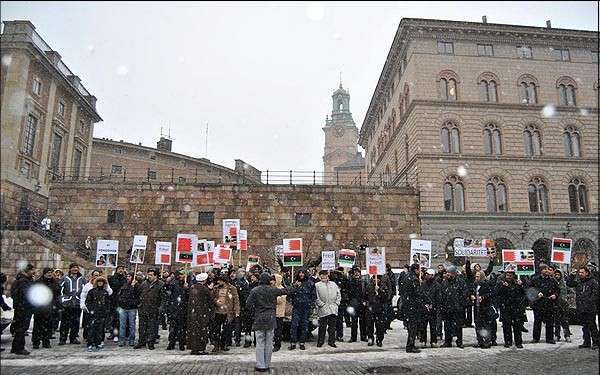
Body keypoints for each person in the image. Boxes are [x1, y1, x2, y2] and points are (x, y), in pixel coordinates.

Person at [246, 272, 292, 372]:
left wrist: (255, 308)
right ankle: (267, 364)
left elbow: (248, 304)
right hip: (271, 317)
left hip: (259, 318)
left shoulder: (255, 290)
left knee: (260, 342)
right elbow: (286, 291)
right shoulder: (273, 290)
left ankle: (260, 365)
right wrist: (290, 284)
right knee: (269, 342)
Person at [566, 267, 599, 349]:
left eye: (582, 272)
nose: (580, 274)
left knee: (592, 326)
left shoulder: (593, 282)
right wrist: (571, 275)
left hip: (590, 308)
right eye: (579, 272)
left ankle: (596, 342)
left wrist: (589, 302)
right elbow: (569, 283)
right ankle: (586, 342)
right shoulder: (579, 282)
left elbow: (595, 294)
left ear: (587, 273)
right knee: (584, 326)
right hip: (581, 308)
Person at [529, 264, 560, 344]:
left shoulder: (553, 280)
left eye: (548, 269)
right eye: (545, 269)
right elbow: (529, 289)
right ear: (541, 271)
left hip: (549, 303)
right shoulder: (535, 280)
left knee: (550, 322)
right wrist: (537, 294)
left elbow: (558, 290)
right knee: (537, 322)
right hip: (538, 304)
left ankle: (549, 338)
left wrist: (555, 295)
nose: (547, 271)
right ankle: (536, 338)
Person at [439, 265, 469, 348]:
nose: (448, 275)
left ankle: (459, 341)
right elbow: (442, 294)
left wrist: (459, 303)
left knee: (458, 326)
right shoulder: (444, 282)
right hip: (447, 308)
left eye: (449, 273)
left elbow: (465, 293)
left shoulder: (460, 282)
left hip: (457, 308)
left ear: (454, 274)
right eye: (447, 273)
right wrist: (443, 305)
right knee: (447, 326)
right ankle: (447, 341)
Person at [135, 269, 164, 350]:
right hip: (143, 308)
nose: (149, 276)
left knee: (152, 327)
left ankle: (150, 342)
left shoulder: (161, 284)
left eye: (151, 275)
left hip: (154, 309)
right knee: (142, 327)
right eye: (148, 274)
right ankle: (141, 341)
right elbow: (137, 294)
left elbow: (163, 298)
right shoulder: (144, 284)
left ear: (156, 276)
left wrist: (161, 308)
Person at [497, 269, 526, 348]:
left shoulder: (517, 283)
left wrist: (521, 286)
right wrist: (503, 287)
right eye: (507, 275)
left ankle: (518, 342)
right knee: (506, 326)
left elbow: (523, 293)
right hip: (506, 308)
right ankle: (508, 341)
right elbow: (497, 293)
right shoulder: (502, 283)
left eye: (510, 275)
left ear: (513, 276)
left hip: (516, 308)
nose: (508, 277)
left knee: (517, 326)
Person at [10, 264, 35, 355]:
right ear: (26, 271)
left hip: (20, 308)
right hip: (24, 308)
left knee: (19, 328)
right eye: (32, 270)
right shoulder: (24, 281)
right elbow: (27, 294)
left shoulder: (19, 280)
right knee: (22, 328)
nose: (33, 272)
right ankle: (19, 348)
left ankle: (15, 347)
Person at [187, 273, 215, 355]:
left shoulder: (192, 287)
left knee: (193, 330)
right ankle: (200, 348)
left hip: (192, 313)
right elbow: (210, 300)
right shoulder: (204, 289)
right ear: (204, 280)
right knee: (201, 331)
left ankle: (193, 347)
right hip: (202, 312)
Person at [211, 273, 240, 352]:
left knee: (226, 329)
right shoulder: (215, 288)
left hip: (227, 312)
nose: (218, 282)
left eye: (220, 281)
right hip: (217, 312)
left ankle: (223, 344)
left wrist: (237, 310)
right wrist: (216, 302)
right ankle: (216, 345)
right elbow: (212, 298)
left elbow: (236, 300)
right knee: (216, 329)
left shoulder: (232, 288)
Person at [81, 270, 113, 341]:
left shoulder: (104, 286)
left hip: (101, 310)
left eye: (98, 275)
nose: (97, 276)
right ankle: (88, 337)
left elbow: (109, 293)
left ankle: (100, 338)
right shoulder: (88, 286)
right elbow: (84, 296)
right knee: (89, 325)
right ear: (92, 276)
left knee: (100, 325)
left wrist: (106, 285)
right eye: (95, 275)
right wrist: (84, 305)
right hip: (91, 309)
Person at [32, 268, 59, 349]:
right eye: (48, 273)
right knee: (37, 326)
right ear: (44, 274)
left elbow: (57, 292)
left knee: (48, 326)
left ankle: (46, 341)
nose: (49, 274)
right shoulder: (38, 282)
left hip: (50, 307)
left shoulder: (54, 282)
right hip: (39, 308)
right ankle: (36, 342)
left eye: (51, 272)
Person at [288, 268, 315, 350]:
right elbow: (289, 295)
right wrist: (295, 287)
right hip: (296, 307)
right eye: (300, 273)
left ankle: (302, 342)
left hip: (306, 308)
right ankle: (293, 342)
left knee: (304, 326)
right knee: (294, 325)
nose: (301, 274)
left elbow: (313, 296)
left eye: (302, 273)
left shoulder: (310, 283)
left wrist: (310, 304)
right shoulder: (295, 283)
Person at [59, 263, 85, 345]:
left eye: (76, 268)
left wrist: (81, 300)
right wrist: (63, 300)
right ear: (70, 269)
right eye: (73, 268)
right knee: (64, 322)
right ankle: (63, 338)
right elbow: (60, 290)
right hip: (67, 304)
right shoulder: (65, 278)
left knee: (75, 322)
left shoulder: (82, 279)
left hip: (77, 303)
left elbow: (85, 291)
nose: (75, 269)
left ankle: (73, 338)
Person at [315, 270, 341, 348]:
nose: (324, 276)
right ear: (320, 276)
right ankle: (320, 341)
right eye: (322, 275)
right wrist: (321, 304)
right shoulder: (317, 285)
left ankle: (331, 341)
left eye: (325, 274)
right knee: (322, 327)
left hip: (333, 308)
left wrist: (337, 303)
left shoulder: (333, 284)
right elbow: (316, 297)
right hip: (323, 308)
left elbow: (338, 294)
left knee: (332, 327)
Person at [401, 263, 424, 353]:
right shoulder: (414, 279)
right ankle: (410, 346)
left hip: (408, 305)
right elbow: (418, 293)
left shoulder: (407, 277)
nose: (420, 272)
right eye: (419, 270)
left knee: (411, 327)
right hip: (413, 306)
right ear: (416, 270)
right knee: (413, 327)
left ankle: (410, 344)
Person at [84, 276, 111, 352]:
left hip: (102, 314)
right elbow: (88, 302)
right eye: (99, 282)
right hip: (93, 314)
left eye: (101, 282)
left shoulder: (105, 292)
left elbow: (108, 303)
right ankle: (90, 344)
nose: (100, 283)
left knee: (100, 330)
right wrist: (91, 310)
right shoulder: (92, 291)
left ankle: (98, 343)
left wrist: (106, 311)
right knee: (91, 330)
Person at [165, 270, 189, 351]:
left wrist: (187, 289)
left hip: (183, 309)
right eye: (181, 274)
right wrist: (167, 283)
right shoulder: (174, 283)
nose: (182, 276)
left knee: (182, 329)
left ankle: (181, 343)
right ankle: (171, 343)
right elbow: (167, 291)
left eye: (183, 274)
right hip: (174, 308)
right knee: (172, 328)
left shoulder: (187, 284)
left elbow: (189, 297)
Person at [471, 270, 496, 349]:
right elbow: (471, 292)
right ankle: (480, 341)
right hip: (477, 308)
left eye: (478, 276)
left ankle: (487, 341)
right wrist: (471, 295)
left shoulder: (486, 284)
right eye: (476, 276)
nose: (476, 278)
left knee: (486, 326)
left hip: (485, 308)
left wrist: (484, 297)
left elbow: (491, 294)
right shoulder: (475, 284)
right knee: (478, 325)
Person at [364, 274, 389, 347]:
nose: (376, 281)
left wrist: (380, 291)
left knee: (379, 326)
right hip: (370, 309)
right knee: (370, 325)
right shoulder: (369, 286)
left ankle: (379, 339)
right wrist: (365, 302)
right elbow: (365, 296)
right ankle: (370, 338)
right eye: (374, 279)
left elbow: (385, 298)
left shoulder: (383, 287)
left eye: (377, 279)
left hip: (379, 309)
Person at [116, 273, 140, 347]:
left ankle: (131, 339)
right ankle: (122, 339)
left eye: (129, 276)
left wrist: (135, 286)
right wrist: (120, 302)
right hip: (123, 307)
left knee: (132, 325)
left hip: (132, 308)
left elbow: (139, 295)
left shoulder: (136, 285)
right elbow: (119, 295)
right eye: (127, 276)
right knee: (122, 325)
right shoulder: (124, 285)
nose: (128, 277)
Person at [418, 268, 440, 348]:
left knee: (433, 326)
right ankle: (423, 340)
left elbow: (438, 297)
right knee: (423, 325)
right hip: (424, 309)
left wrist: (433, 305)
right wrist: (424, 304)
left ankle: (433, 341)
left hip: (433, 309)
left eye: (428, 274)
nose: (426, 276)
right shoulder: (423, 284)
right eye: (426, 274)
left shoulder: (436, 285)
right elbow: (420, 295)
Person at [347, 267, 367, 342]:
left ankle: (363, 336)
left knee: (363, 322)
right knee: (354, 322)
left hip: (362, 304)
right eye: (355, 272)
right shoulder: (350, 281)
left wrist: (365, 301)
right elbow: (348, 292)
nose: (357, 273)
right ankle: (353, 337)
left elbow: (365, 292)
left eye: (358, 272)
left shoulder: (363, 281)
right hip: (353, 304)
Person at [108, 266, 127, 341]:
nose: (121, 270)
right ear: (116, 270)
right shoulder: (112, 278)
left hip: (122, 302)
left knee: (121, 319)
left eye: (122, 269)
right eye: (119, 269)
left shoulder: (125, 279)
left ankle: (121, 333)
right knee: (113, 319)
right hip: (113, 301)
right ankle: (113, 333)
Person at [553, 269, 572, 343]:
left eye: (558, 274)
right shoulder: (552, 283)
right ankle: (557, 335)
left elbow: (571, 291)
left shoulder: (564, 283)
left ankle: (567, 335)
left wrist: (567, 299)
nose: (557, 276)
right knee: (556, 321)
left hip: (563, 305)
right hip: (555, 304)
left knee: (565, 321)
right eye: (556, 274)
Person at [273, 274, 286, 352]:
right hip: (272, 312)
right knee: (273, 330)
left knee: (278, 330)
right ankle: (274, 342)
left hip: (279, 313)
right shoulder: (272, 288)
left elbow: (280, 300)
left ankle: (277, 344)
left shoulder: (282, 289)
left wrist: (272, 297)